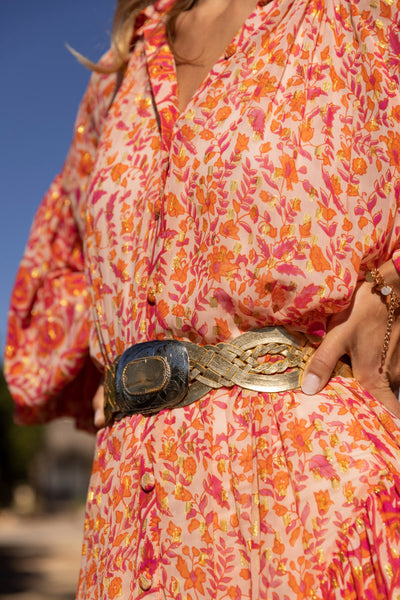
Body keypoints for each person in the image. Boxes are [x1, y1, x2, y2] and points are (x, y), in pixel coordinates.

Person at [5, 0, 400, 597]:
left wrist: (394, 292)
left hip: (317, 504)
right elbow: (61, 275)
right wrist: (117, 365)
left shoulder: (360, 11)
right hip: (131, 516)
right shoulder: (123, 65)